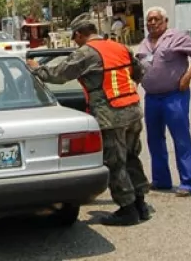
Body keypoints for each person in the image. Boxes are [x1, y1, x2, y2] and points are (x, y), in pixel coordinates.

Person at [26, 21, 151, 226]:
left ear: (79, 34)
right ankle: (140, 204)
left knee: (115, 163)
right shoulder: (120, 47)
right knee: (132, 157)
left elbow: (60, 75)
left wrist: (37, 69)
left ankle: (127, 209)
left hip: (110, 114)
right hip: (133, 110)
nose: (75, 42)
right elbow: (138, 72)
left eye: (74, 37)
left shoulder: (87, 53)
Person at [136, 6, 191, 197]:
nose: (152, 23)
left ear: (165, 21)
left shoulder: (176, 37)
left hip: (174, 96)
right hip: (152, 97)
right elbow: (138, 67)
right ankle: (161, 180)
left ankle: (188, 182)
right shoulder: (144, 43)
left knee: (181, 138)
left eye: (156, 19)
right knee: (154, 139)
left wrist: (187, 77)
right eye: (149, 20)